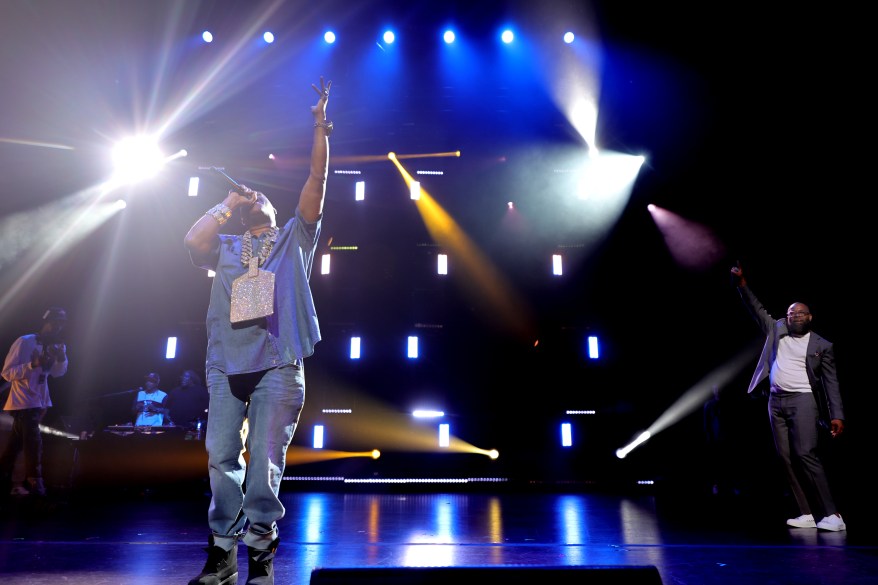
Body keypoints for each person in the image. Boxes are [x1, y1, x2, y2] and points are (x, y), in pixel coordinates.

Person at [183, 76, 331, 585]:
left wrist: (319, 125)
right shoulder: (226, 245)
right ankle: (222, 556)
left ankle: (261, 556)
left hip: (277, 364)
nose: (256, 199)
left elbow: (317, 181)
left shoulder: (295, 237)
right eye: (250, 201)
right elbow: (191, 241)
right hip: (227, 363)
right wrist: (225, 203)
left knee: (265, 463)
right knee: (220, 458)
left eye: (258, 198)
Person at [731, 261, 846, 531]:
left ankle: (833, 515)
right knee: (784, 456)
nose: (794, 316)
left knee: (806, 453)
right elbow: (755, 308)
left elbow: (831, 382)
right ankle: (806, 513)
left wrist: (837, 415)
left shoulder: (822, 345)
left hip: (803, 401)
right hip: (775, 401)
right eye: (790, 313)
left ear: (810, 317)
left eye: (800, 313)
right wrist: (742, 284)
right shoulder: (776, 330)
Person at [0, 306, 69, 498]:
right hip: (23, 402)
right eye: (55, 321)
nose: (58, 326)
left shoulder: (56, 345)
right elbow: (6, 373)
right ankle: (37, 486)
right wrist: (32, 365)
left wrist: (61, 358)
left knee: (14, 448)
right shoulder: (25, 342)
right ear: (46, 321)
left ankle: (6, 481)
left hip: (39, 402)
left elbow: (57, 373)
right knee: (33, 443)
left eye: (62, 323)